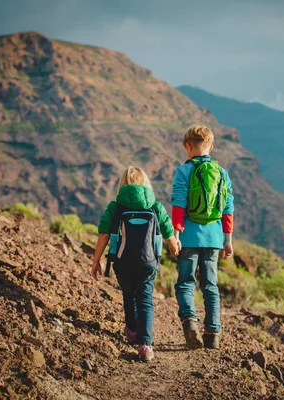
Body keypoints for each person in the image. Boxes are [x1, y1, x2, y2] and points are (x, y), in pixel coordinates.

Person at [91, 166, 180, 362]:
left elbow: (104, 234)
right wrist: (174, 247)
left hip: (122, 263)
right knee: (145, 299)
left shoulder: (115, 206)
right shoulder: (154, 206)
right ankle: (145, 345)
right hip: (148, 263)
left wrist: (96, 260)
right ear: (145, 183)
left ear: (123, 184)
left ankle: (131, 331)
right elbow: (167, 230)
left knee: (128, 294)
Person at [171, 124, 234, 350]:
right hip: (214, 240)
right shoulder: (222, 173)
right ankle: (213, 333)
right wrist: (228, 240)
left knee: (186, 283)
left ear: (188, 146)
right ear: (211, 146)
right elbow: (228, 209)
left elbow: (178, 204)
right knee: (211, 286)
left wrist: (175, 235)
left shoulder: (183, 171)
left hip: (188, 238)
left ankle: (190, 323)